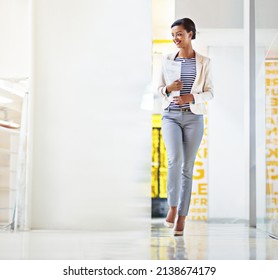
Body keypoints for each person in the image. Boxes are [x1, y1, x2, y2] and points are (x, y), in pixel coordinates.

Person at [157, 18, 214, 236]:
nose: (175, 38)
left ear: (190, 33)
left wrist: (192, 96)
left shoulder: (204, 61)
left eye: (179, 34)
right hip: (170, 116)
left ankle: (182, 217)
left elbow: (210, 92)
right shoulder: (167, 59)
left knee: (187, 168)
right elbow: (160, 88)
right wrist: (168, 89)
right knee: (175, 160)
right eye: (173, 35)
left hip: (193, 118)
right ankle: (172, 207)